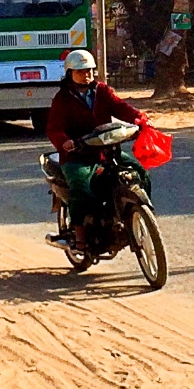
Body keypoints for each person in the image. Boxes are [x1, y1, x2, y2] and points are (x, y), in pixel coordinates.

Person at [46, 49, 147, 248]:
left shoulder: (103, 91)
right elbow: (54, 128)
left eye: (90, 71)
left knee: (139, 172)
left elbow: (121, 108)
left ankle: (140, 213)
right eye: (81, 72)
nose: (87, 75)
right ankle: (80, 233)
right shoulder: (62, 98)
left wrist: (139, 118)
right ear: (70, 73)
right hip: (77, 156)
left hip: (106, 151)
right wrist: (65, 142)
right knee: (81, 186)